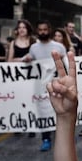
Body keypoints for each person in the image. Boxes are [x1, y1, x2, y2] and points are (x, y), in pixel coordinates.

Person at [23, 20, 66, 152]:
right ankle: (45, 139)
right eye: (40, 30)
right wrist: (28, 58)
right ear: (37, 31)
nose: (42, 32)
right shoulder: (34, 48)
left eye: (45, 29)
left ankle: (61, 138)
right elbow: (30, 61)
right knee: (43, 112)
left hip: (56, 84)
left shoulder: (59, 47)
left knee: (58, 110)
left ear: (49, 30)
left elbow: (66, 65)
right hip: (40, 86)